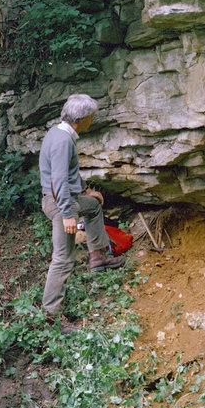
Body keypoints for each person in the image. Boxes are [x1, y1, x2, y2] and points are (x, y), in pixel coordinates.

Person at [39, 92, 124, 333]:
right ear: (82, 119)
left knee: (94, 206)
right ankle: (51, 315)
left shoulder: (60, 132)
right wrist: (67, 215)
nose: (93, 121)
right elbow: (58, 181)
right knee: (63, 259)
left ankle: (97, 257)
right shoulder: (63, 141)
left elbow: (69, 172)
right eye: (91, 117)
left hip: (65, 198)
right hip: (57, 203)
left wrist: (87, 190)